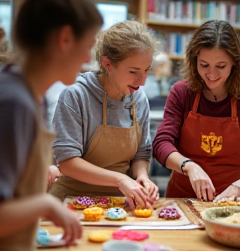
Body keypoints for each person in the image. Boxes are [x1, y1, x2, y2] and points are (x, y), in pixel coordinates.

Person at [0, 0, 103, 251]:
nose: (87, 60)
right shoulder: (13, 101)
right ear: (65, 38)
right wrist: (45, 204)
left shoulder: (33, 95)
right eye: (88, 46)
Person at [152, 20, 240, 202]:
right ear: (194, 60)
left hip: (235, 200)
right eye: (204, 65)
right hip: (183, 198)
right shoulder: (183, 92)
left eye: (220, 66)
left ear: (234, 62)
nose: (212, 74)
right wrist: (188, 166)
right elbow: (161, 144)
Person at [48, 20, 159, 208]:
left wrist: (141, 177)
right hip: (70, 200)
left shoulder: (138, 99)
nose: (142, 81)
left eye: (147, 71)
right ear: (108, 64)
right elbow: (67, 162)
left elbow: (142, 153)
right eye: (134, 71)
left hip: (122, 203)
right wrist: (120, 180)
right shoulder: (76, 95)